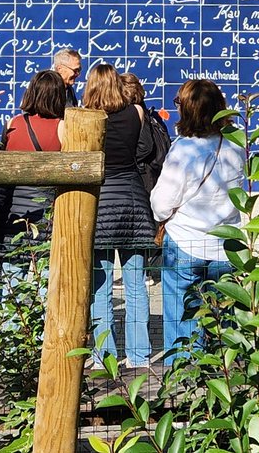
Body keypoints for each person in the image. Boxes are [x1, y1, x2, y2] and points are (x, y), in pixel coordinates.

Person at [150, 79, 244, 364]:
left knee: (182, 316)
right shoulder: (236, 144)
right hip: (225, 242)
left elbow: (161, 203)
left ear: (188, 110)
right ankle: (225, 378)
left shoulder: (184, 149)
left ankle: (183, 379)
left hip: (185, 240)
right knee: (222, 316)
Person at [84, 63, 155, 368]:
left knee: (100, 285)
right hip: (132, 200)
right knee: (136, 284)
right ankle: (139, 356)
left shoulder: (85, 118)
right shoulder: (137, 113)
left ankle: (104, 355)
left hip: (100, 203)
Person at [0, 70, 65, 254]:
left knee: (11, 270)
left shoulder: (12, 122)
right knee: (45, 271)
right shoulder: (63, 127)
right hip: (46, 209)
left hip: (12, 210)